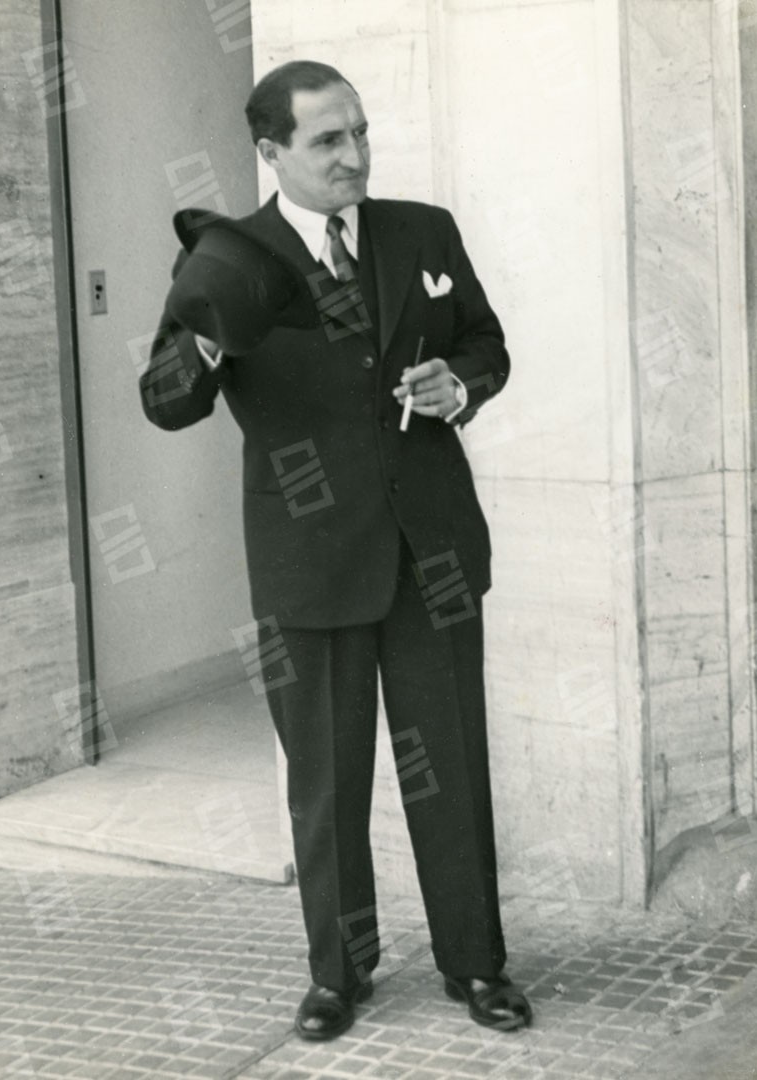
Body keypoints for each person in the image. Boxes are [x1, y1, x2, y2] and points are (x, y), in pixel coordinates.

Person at [140, 59, 531, 1041]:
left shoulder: (423, 232)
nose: (354, 155)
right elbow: (166, 400)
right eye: (328, 140)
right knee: (326, 783)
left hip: (431, 551)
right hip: (308, 560)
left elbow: (487, 342)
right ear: (271, 151)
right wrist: (210, 336)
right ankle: (338, 975)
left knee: (452, 768)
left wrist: (460, 386)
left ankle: (476, 964)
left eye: (360, 133)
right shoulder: (225, 259)